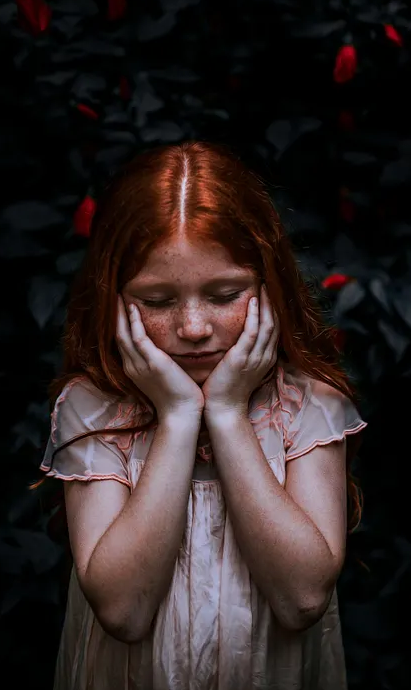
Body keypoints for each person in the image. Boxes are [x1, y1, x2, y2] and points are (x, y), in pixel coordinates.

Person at [30, 140, 367, 689]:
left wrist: (231, 414)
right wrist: (180, 417)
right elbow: (124, 612)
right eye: (157, 301)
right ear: (114, 297)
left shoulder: (308, 406)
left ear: (268, 286)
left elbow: (302, 598)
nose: (192, 327)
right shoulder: (93, 409)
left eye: (225, 293)